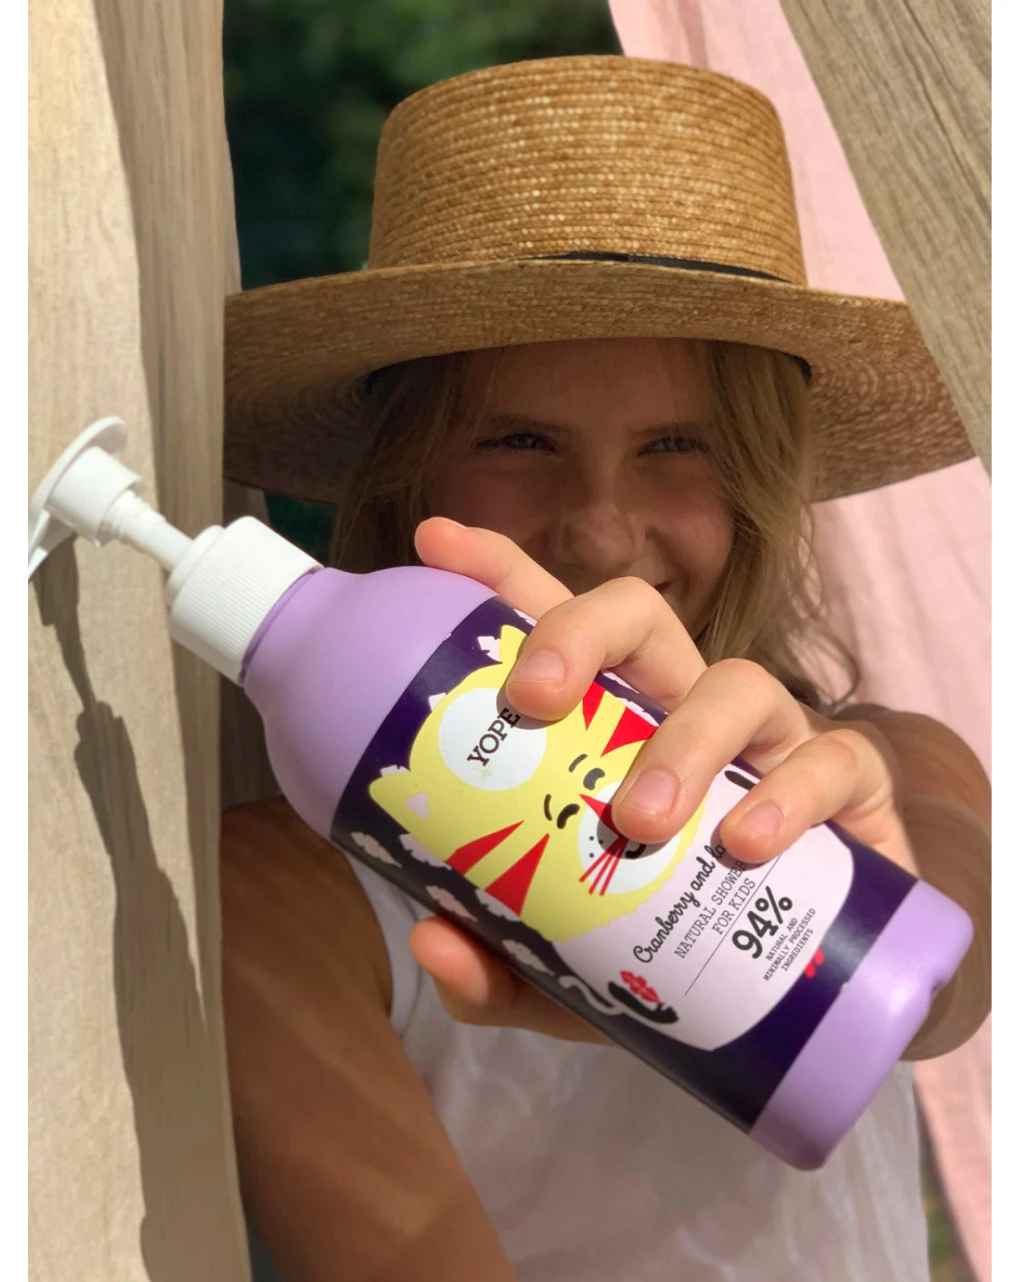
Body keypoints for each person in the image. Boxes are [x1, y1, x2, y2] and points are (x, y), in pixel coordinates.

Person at [219, 57, 990, 1282]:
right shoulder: (291, 890)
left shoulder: (876, 764)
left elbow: (953, 971)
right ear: (407, 475)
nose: (600, 532)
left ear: (759, 483)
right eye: (520, 438)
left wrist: (862, 888)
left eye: (678, 444)